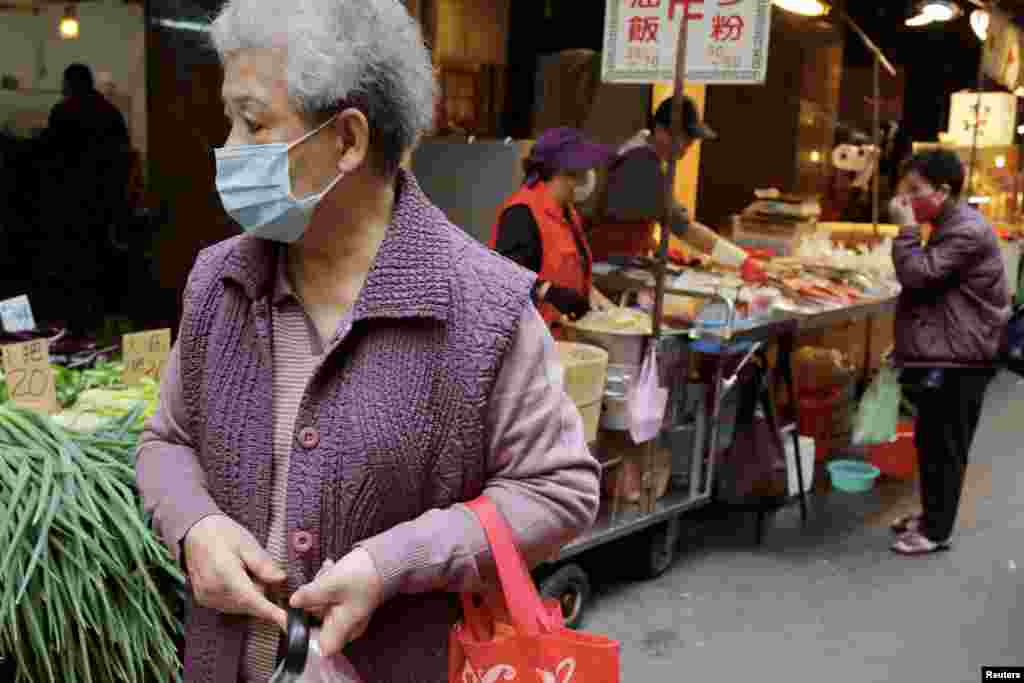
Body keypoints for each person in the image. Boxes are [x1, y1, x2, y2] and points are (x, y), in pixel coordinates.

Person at [134, 2, 601, 682]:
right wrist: (195, 524)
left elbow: (559, 488)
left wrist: (394, 562)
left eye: (253, 121)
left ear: (348, 140)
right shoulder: (219, 282)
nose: (228, 149)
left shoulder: (480, 310)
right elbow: (167, 440)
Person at [888, 149, 1010, 555]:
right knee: (931, 439)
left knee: (946, 444)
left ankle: (936, 531)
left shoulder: (966, 231)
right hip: (953, 350)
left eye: (914, 192)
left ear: (942, 191)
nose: (907, 201)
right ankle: (931, 514)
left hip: (963, 357)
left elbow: (919, 275)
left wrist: (905, 230)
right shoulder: (948, 223)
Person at [490, 127, 616, 325]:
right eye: (582, 172)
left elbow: (572, 267)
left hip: (562, 335)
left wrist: (591, 293)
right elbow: (505, 278)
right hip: (531, 340)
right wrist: (548, 290)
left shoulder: (567, 212)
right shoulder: (522, 213)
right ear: (562, 173)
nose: (587, 179)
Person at [47, 63, 130, 152]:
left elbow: (52, 146)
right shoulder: (111, 112)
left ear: (69, 84)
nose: (62, 90)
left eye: (64, 83)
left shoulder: (62, 112)